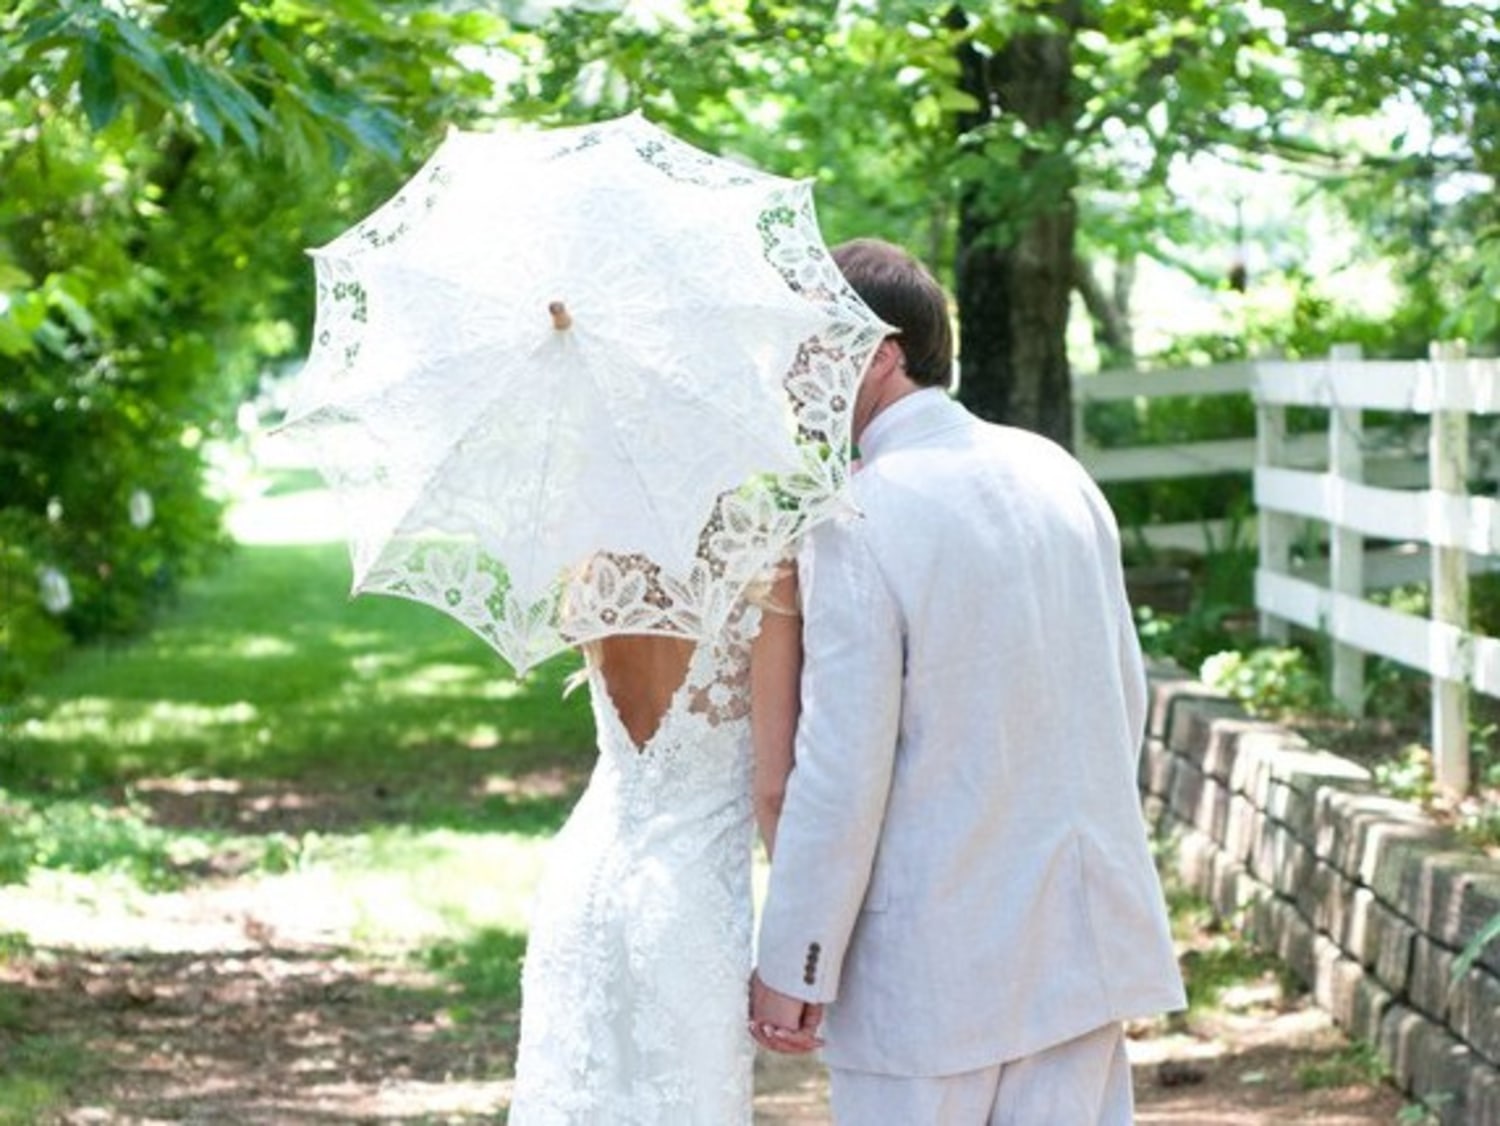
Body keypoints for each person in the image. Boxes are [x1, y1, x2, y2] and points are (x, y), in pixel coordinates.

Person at [749, 238, 1186, 1124]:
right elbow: (1124, 698)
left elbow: (841, 767)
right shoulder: (1057, 471)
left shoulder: (859, 516)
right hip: (1083, 941)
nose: (793, 378)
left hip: (931, 967)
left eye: (809, 349)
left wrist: (794, 956)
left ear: (881, 354)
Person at [509, 566, 801, 1124]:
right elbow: (774, 791)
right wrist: (799, 945)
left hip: (581, 885)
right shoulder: (763, 576)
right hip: (685, 899)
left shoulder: (597, 572)